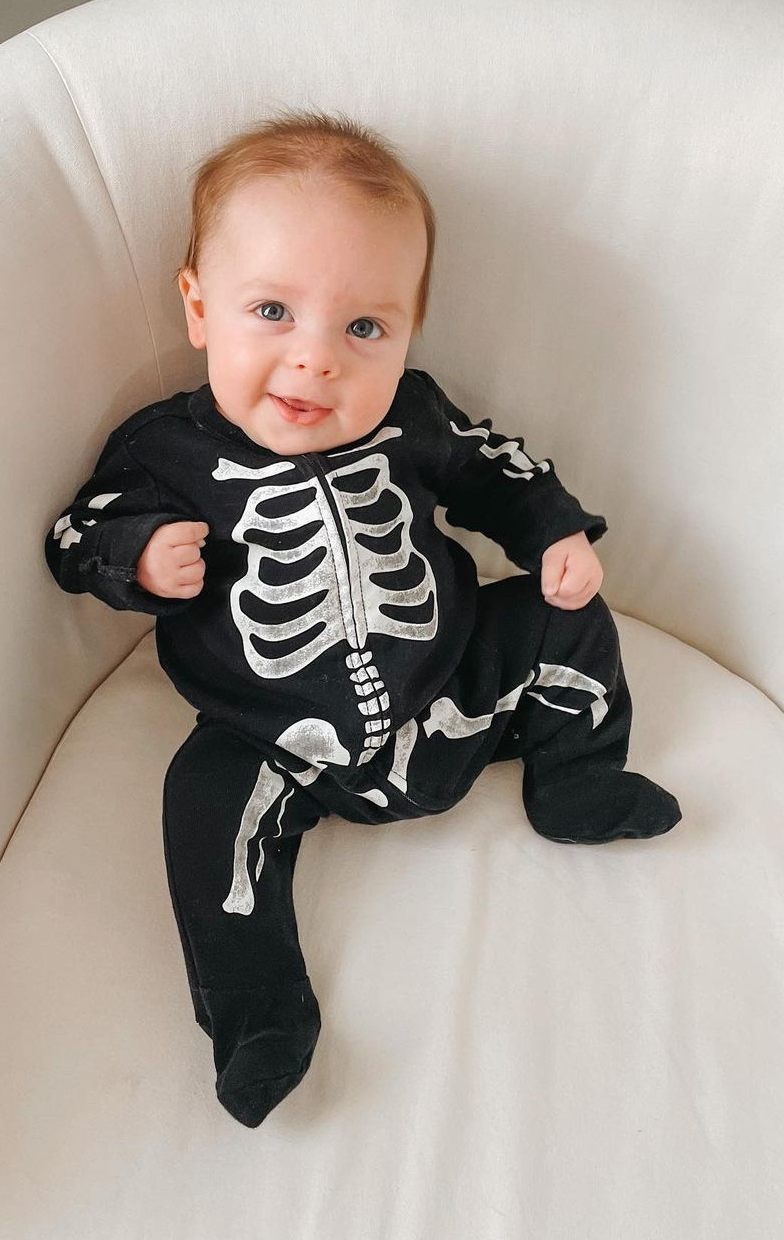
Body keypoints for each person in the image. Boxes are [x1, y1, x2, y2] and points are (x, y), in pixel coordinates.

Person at [44, 108, 682, 1129]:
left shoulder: (413, 415)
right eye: (271, 311)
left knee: (570, 618)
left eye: (365, 328)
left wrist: (554, 534)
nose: (316, 360)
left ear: (409, 332)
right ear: (198, 309)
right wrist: (137, 555)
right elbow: (76, 533)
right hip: (279, 738)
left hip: (451, 691)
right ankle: (258, 1014)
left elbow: (497, 467)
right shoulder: (164, 450)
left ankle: (577, 779)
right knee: (200, 797)